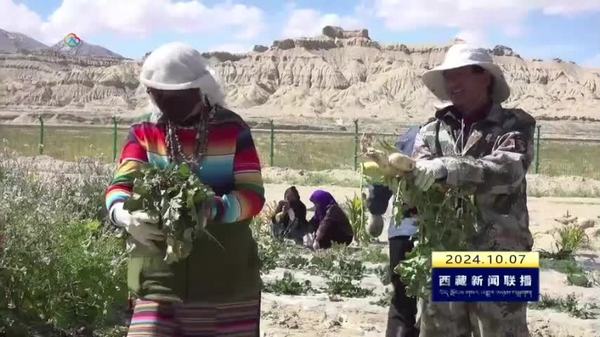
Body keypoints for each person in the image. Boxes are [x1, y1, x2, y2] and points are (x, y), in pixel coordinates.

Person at [105, 42, 265, 337]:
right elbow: (120, 186)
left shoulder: (232, 130)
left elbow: (252, 196)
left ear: (199, 89)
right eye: (159, 94)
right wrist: (123, 216)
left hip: (224, 280)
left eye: (176, 95)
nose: (166, 101)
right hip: (158, 279)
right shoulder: (144, 132)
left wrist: (212, 209)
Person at [412, 43, 535, 337]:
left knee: (501, 330)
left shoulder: (513, 126)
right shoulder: (432, 131)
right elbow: (417, 176)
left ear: (485, 78)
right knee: (441, 331)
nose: (452, 84)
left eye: (461, 75)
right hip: (445, 251)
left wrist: (450, 170)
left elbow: (509, 169)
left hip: (499, 254)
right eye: (448, 77)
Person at [366, 126, 420, 337]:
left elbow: (382, 178)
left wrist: (376, 211)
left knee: (402, 303)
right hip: (440, 234)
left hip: (402, 231)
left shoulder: (411, 135)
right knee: (441, 307)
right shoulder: (463, 132)